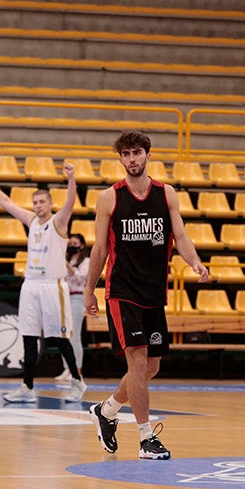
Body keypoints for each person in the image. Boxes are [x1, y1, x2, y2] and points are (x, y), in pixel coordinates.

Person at [84, 131, 209, 460]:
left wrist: (195, 262)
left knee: (150, 368)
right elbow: (99, 248)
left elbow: (180, 235)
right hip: (122, 290)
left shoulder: (166, 194)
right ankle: (145, 438)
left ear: (148, 155)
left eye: (137, 152)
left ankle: (107, 410)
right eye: (125, 154)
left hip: (154, 291)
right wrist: (88, 290)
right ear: (121, 159)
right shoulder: (109, 198)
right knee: (137, 363)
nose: (132, 159)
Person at [0, 162, 86, 403]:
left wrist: (71, 178)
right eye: (35, 202)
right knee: (28, 336)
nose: (38, 206)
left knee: (59, 338)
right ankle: (27, 387)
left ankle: (77, 382)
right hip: (31, 285)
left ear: (50, 204)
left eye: (42, 202)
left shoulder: (58, 222)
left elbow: (70, 203)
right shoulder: (31, 220)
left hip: (52, 286)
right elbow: (5, 202)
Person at [57, 232, 89, 383]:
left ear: (82, 245)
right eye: (71, 244)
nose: (72, 246)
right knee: (65, 335)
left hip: (78, 297)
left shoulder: (86, 261)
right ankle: (67, 368)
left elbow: (80, 277)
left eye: (75, 244)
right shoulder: (68, 259)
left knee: (75, 335)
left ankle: (78, 370)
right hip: (65, 297)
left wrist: (66, 265)